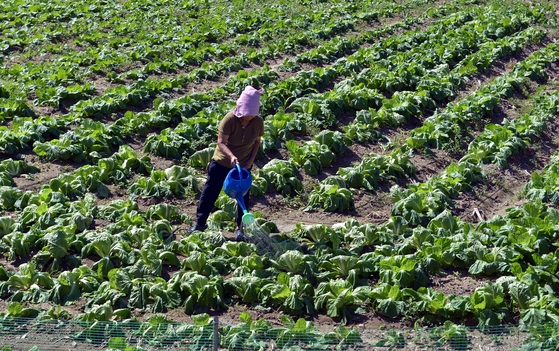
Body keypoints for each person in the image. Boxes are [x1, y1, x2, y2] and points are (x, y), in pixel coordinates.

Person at [187, 86, 264, 242]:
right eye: (247, 114)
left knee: (242, 195)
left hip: (243, 165)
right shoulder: (229, 119)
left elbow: (257, 142)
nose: (249, 117)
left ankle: (239, 228)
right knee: (210, 191)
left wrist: (250, 161)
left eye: (252, 114)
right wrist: (231, 156)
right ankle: (200, 223)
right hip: (222, 161)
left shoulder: (258, 122)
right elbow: (221, 142)